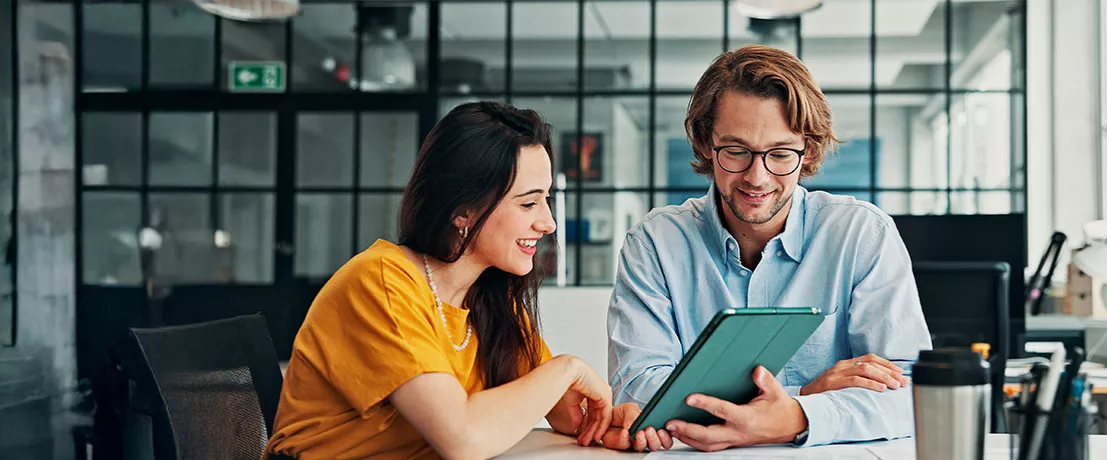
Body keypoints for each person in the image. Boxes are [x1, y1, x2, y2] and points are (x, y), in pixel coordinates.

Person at [607, 45, 933, 452]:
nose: (757, 178)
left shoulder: (861, 234)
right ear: (706, 142)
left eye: (779, 154)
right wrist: (805, 396)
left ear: (808, 150)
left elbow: (912, 392)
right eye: (737, 151)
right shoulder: (655, 244)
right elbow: (637, 391)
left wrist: (794, 415)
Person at [266, 101, 626, 459]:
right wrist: (567, 368)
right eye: (528, 204)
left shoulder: (489, 295)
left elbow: (564, 413)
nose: (548, 223)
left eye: (546, 200)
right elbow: (462, 438)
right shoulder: (382, 282)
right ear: (463, 211)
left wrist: (617, 421)